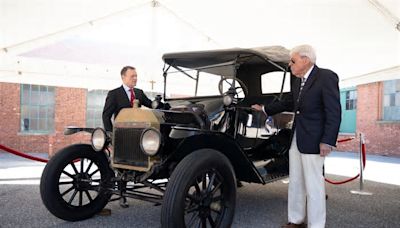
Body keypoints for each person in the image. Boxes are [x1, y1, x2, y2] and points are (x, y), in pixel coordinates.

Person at [252, 45, 341, 228]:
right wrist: (265, 109)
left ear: (306, 60)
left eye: (293, 60)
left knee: (314, 185)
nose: (289, 64)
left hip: (315, 140)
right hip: (296, 138)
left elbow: (334, 112)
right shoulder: (296, 81)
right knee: (296, 182)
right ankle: (296, 220)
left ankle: (316, 225)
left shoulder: (326, 77)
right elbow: (290, 102)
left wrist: (328, 140)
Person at [102, 66, 152, 132]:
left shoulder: (139, 93)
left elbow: (151, 105)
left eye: (136, 76)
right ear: (123, 77)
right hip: (121, 134)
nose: (135, 78)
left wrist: (163, 105)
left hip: (139, 133)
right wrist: (111, 134)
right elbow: (106, 117)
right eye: (132, 76)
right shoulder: (114, 94)